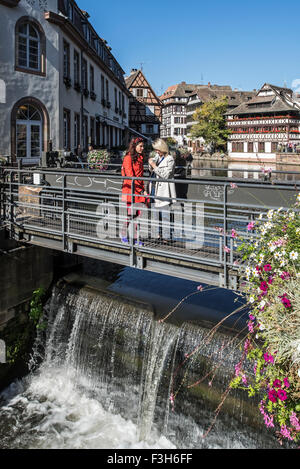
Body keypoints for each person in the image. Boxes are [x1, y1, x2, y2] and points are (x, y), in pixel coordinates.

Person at [148, 138, 176, 241]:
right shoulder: (157, 157)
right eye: (155, 150)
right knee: (155, 215)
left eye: (157, 149)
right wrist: (151, 165)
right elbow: (153, 170)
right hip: (154, 189)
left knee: (165, 215)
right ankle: (156, 235)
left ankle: (166, 237)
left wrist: (154, 165)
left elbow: (166, 174)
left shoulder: (170, 159)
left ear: (162, 148)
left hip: (164, 190)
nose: (156, 151)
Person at [120, 137, 147, 244]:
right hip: (130, 190)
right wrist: (142, 190)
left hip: (138, 190)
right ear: (134, 146)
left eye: (143, 146)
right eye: (140, 146)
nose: (142, 148)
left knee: (138, 214)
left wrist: (143, 189)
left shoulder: (140, 157)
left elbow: (140, 177)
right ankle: (123, 234)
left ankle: (135, 238)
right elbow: (130, 176)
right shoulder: (128, 158)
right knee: (131, 214)